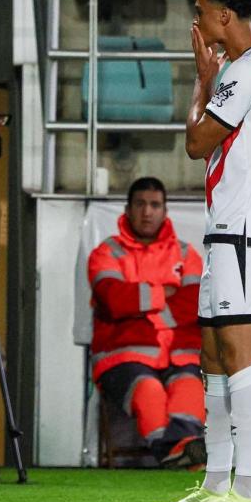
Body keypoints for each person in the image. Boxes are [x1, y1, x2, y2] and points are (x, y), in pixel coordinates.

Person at [158, 0, 251, 502]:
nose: (196, 20)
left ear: (225, 17)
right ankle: (215, 484)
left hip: (243, 233)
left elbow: (195, 142)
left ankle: (248, 490)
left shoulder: (248, 72)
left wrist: (199, 82)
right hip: (228, 229)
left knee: (240, 356)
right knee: (212, 355)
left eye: (202, 9)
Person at [88, 177, 207, 468]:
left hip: (179, 355)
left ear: (165, 211)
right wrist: (163, 294)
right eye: (140, 204)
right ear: (127, 209)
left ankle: (179, 453)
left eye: (155, 205)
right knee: (148, 390)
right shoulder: (107, 252)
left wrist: (141, 302)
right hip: (122, 356)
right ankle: (176, 453)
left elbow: (195, 303)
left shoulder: (185, 253)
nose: (147, 212)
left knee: (190, 386)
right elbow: (113, 299)